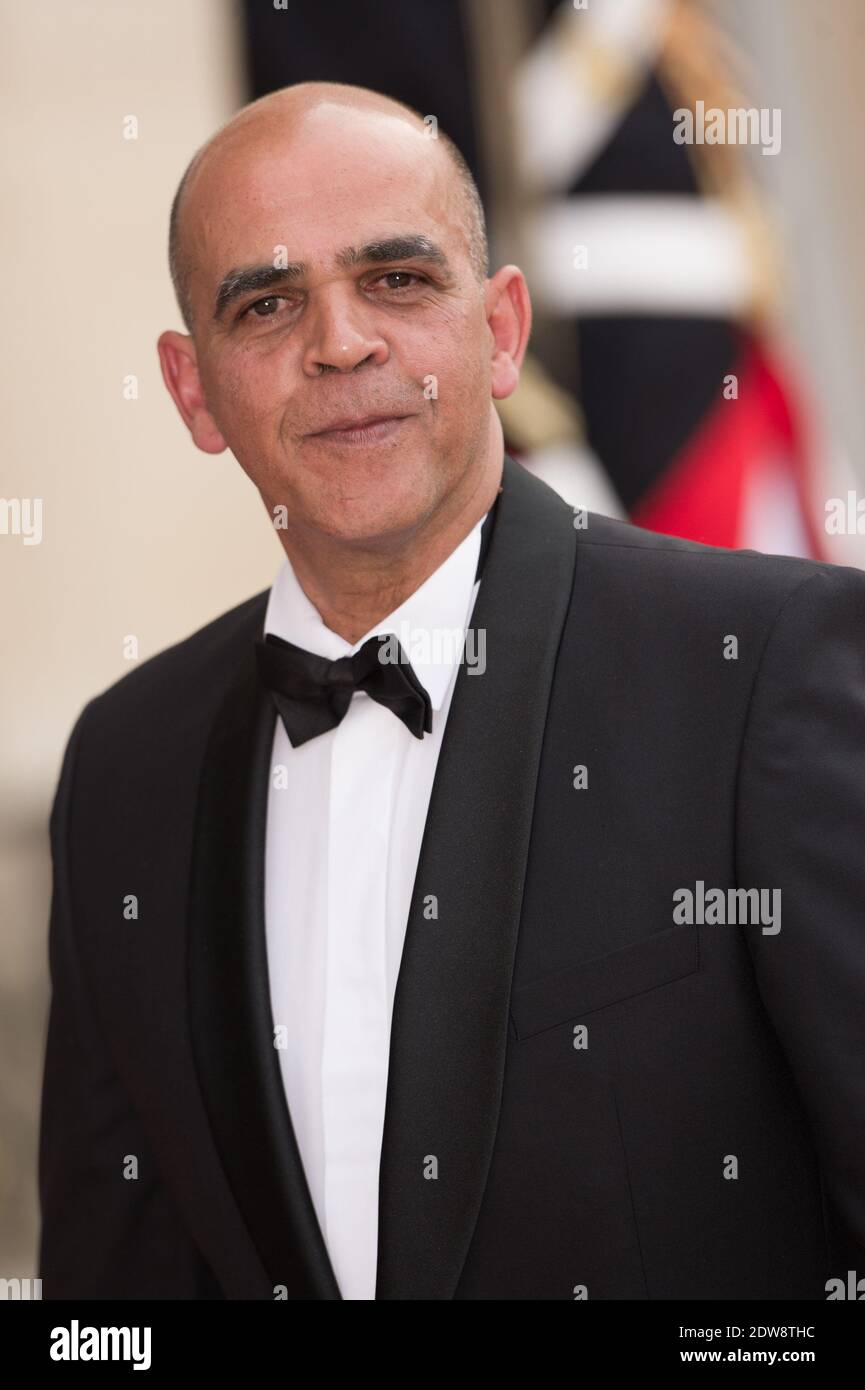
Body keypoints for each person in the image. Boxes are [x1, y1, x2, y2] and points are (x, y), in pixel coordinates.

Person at [38, 81, 865, 1301]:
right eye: (266, 304)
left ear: (502, 330)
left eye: (398, 280)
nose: (341, 342)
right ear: (193, 389)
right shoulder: (125, 763)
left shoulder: (763, 667)